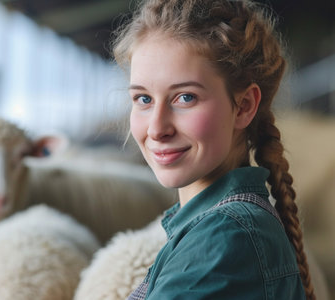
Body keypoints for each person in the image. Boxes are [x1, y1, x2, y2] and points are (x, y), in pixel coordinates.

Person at [111, 0, 315, 299]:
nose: (156, 129)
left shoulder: (227, 237)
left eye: (185, 97)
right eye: (143, 99)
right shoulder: (208, 227)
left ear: (244, 106)